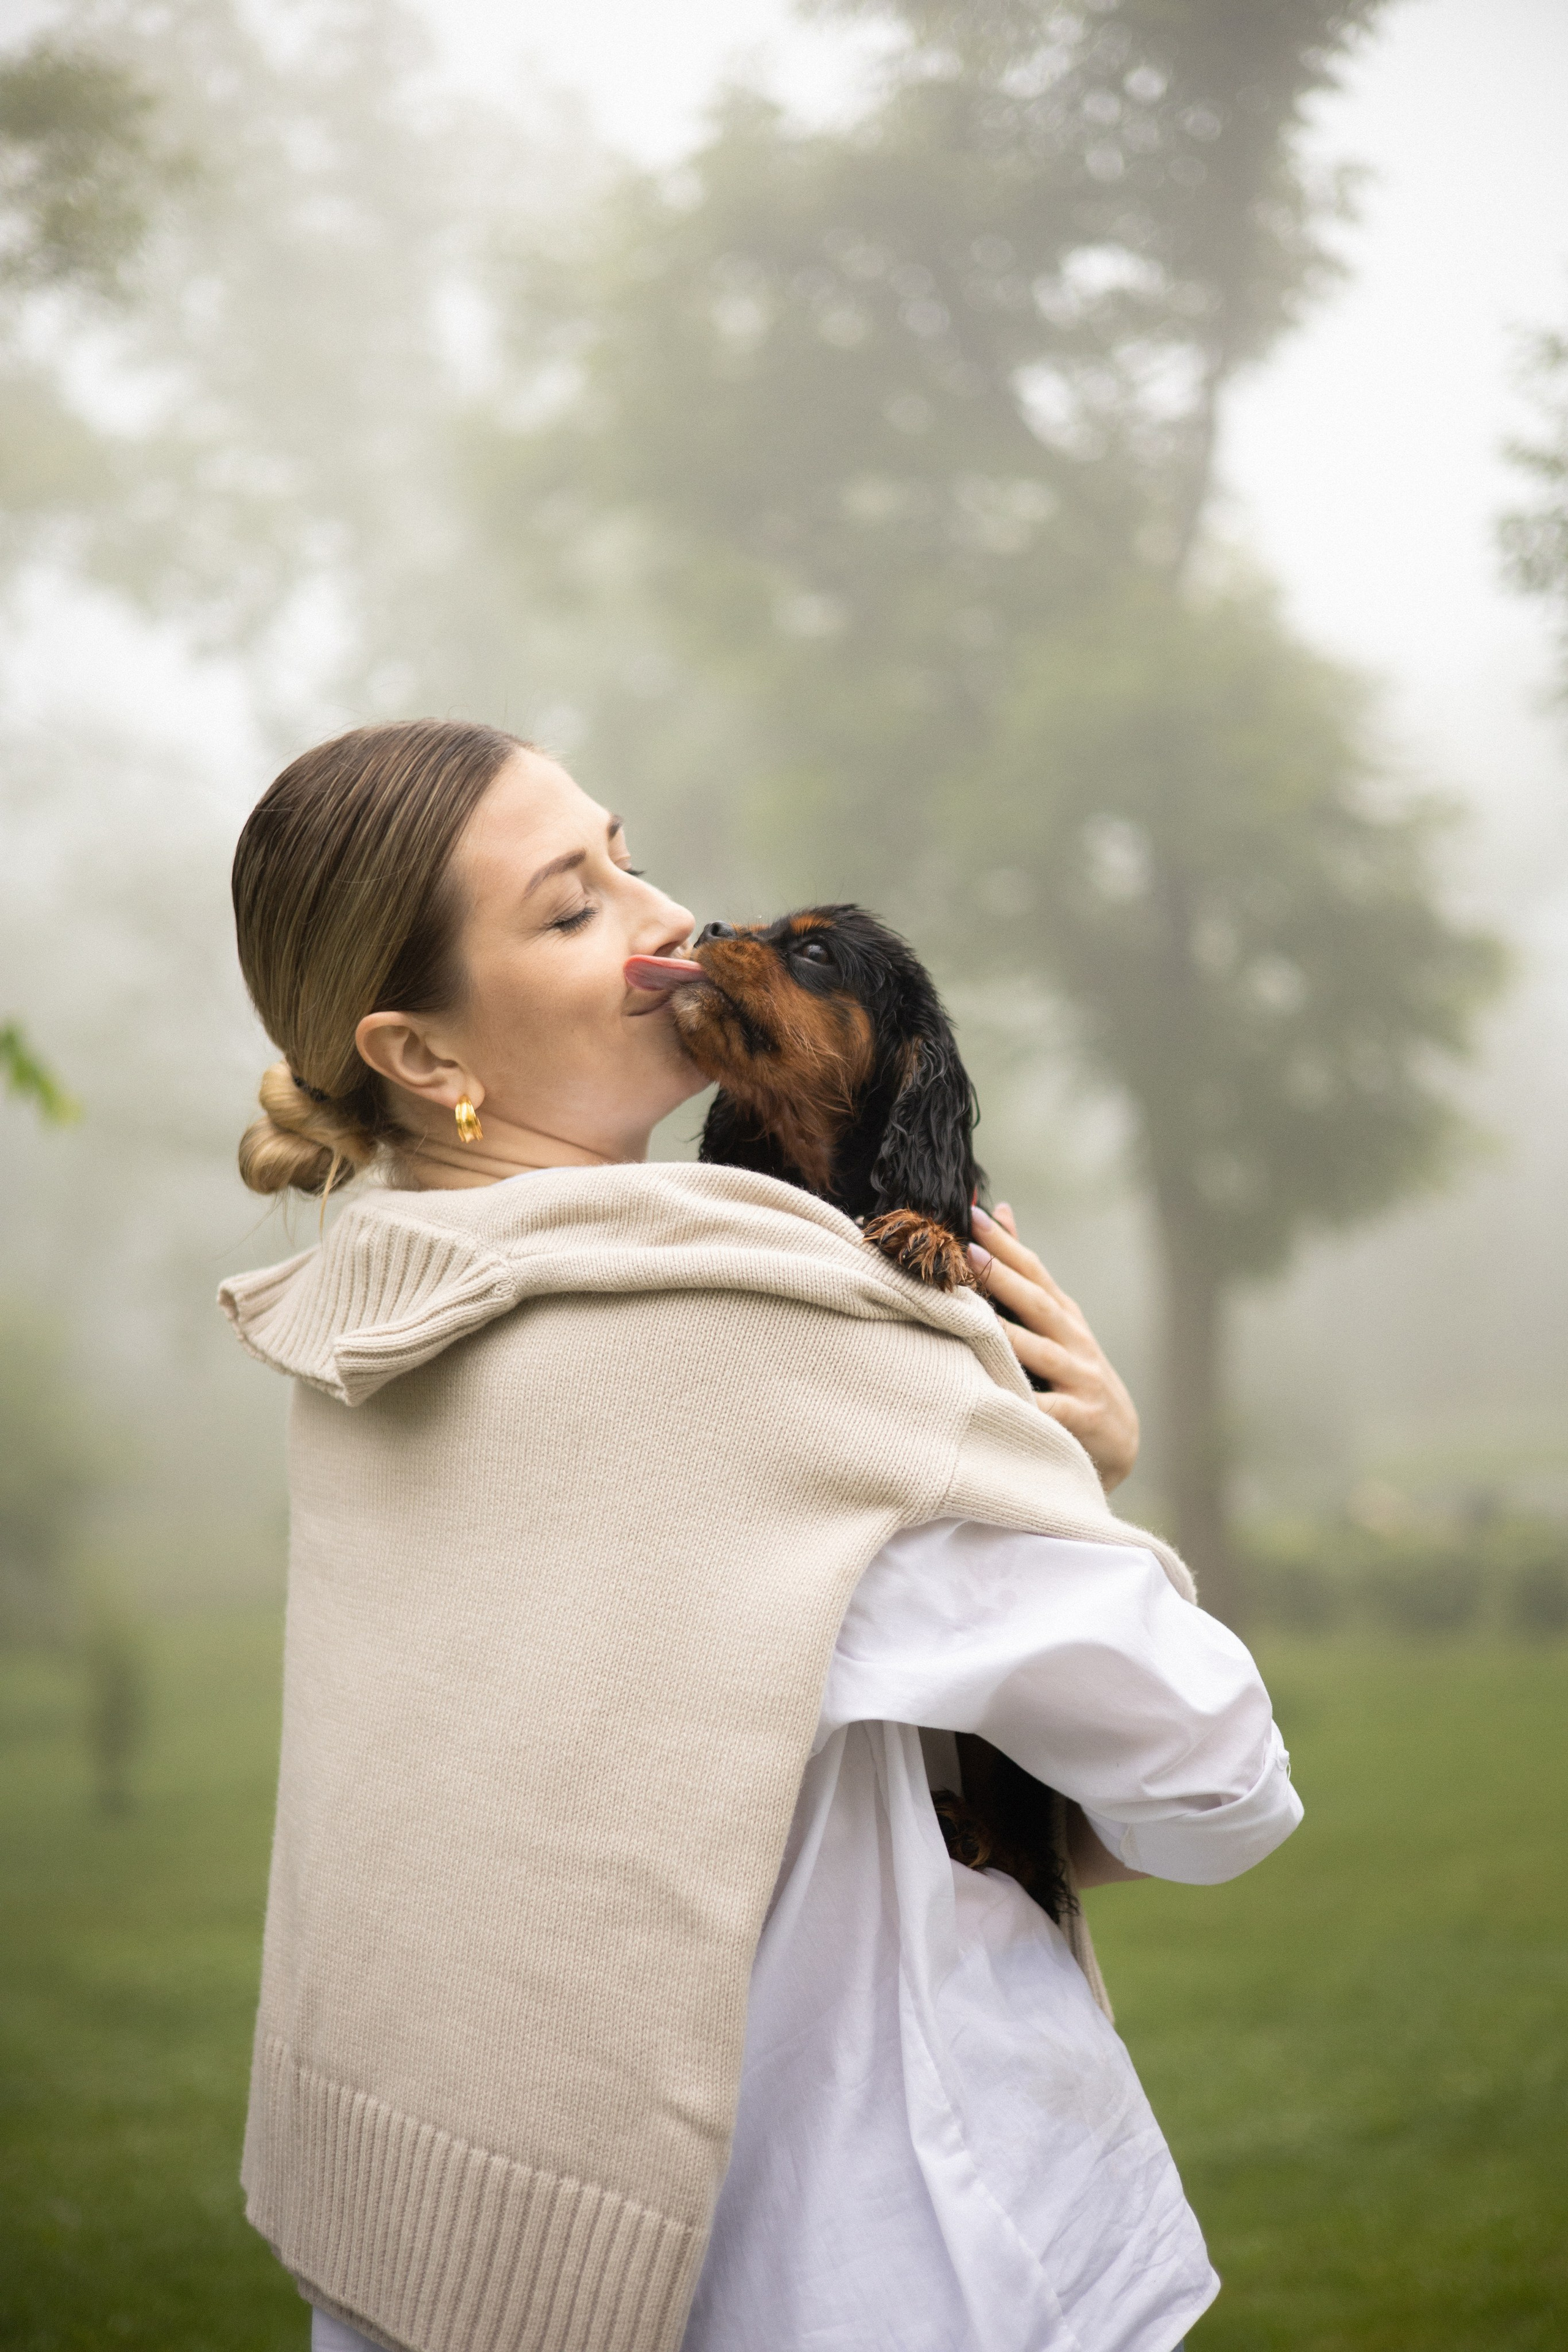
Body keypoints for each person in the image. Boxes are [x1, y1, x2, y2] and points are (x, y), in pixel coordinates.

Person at [222, 718, 1301, 2352]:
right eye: (570, 908)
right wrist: (1065, 1474)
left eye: (629, 853)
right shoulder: (765, 1343)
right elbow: (1220, 1785)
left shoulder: (372, 1328)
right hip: (872, 2259)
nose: (662, 915)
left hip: (446, 2265)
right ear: (424, 1057)